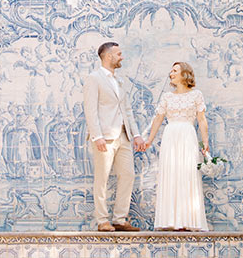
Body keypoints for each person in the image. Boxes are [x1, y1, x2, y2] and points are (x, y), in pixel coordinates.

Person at [83, 41, 146, 232]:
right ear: (109, 56)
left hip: (123, 136)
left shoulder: (119, 81)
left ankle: (119, 219)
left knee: (128, 175)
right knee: (101, 178)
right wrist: (97, 136)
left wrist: (136, 135)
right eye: (118, 54)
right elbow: (90, 109)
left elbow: (127, 110)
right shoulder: (94, 78)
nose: (121, 57)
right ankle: (102, 220)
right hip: (105, 137)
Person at [144, 61, 210, 231]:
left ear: (184, 74)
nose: (171, 73)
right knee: (171, 174)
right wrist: (149, 140)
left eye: (175, 70)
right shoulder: (167, 96)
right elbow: (158, 119)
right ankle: (171, 221)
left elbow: (202, 119)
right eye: (171, 71)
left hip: (188, 135)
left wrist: (205, 142)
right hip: (170, 136)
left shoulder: (196, 95)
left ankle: (189, 221)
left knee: (187, 174)